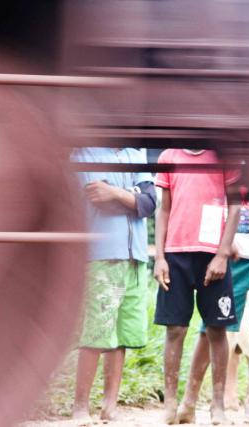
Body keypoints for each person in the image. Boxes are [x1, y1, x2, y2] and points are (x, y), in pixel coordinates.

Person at [153, 148, 241, 425]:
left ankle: (218, 406)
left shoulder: (224, 155)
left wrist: (222, 254)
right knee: (175, 328)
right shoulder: (169, 156)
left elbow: (235, 205)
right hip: (175, 253)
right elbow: (164, 208)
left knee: (217, 328)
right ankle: (170, 404)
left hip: (212, 254)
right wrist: (159, 257)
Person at [71, 147, 157, 421]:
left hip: (136, 255)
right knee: (96, 331)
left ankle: (110, 406)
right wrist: (133, 196)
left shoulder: (136, 153)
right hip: (103, 253)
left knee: (121, 334)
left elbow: (150, 204)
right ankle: (80, 407)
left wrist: (118, 194)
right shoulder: (85, 153)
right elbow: (99, 199)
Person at [178, 200, 249, 423]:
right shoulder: (229, 169)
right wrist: (221, 246)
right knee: (212, 326)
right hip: (233, 255)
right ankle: (190, 400)